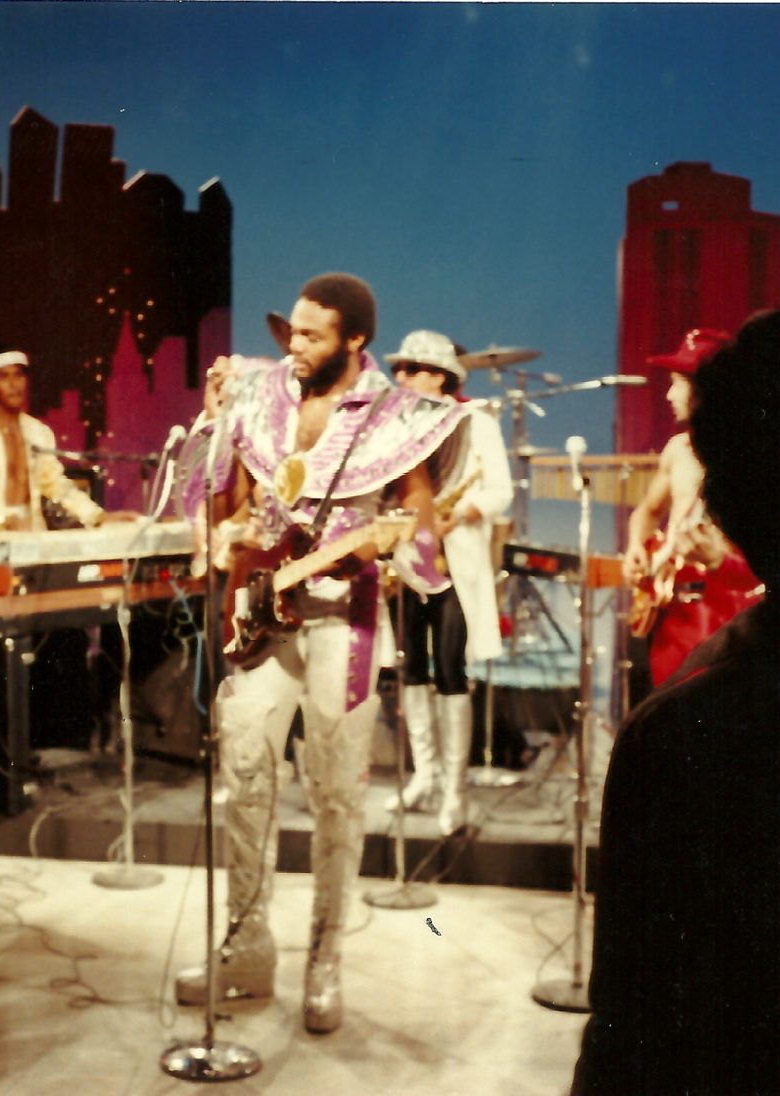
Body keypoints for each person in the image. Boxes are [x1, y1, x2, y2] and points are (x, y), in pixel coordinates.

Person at [573, 292, 780, 1094]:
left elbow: (629, 1038)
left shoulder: (681, 735)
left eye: (683, 379)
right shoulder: (673, 456)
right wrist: (646, 551)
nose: (671, 388)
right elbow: (648, 516)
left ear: (735, 496)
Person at [177, 273, 467, 1033]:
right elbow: (219, 501)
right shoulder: (260, 396)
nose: (293, 347)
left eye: (311, 335)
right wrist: (214, 426)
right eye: (292, 332)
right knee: (244, 775)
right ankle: (246, 948)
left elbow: (419, 518)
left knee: (336, 795)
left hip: (348, 620)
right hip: (259, 613)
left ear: (355, 340)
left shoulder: (398, 417)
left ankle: (324, 959)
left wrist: (395, 548)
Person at [382, 330, 512, 836]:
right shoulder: (395, 426)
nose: (401, 377)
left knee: (451, 668)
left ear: (441, 377)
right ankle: (425, 774)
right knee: (412, 667)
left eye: (412, 369)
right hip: (407, 560)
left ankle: (455, 790)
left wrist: (459, 515)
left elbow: (499, 491)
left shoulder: (476, 422)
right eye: (399, 369)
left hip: (455, 561)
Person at [621, 328, 762, 691]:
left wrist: (721, 562)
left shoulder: (751, 456)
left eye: (677, 384)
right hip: (673, 615)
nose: (669, 395)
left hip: (726, 611)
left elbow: (776, 564)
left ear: (705, 389)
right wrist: (636, 547)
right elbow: (647, 511)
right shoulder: (677, 449)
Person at [0, 344, 135, 585]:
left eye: (19, 375)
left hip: (30, 536)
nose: (14, 384)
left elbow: (55, 483)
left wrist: (97, 516)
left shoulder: (37, 432)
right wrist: (5, 519)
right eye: (4, 377)